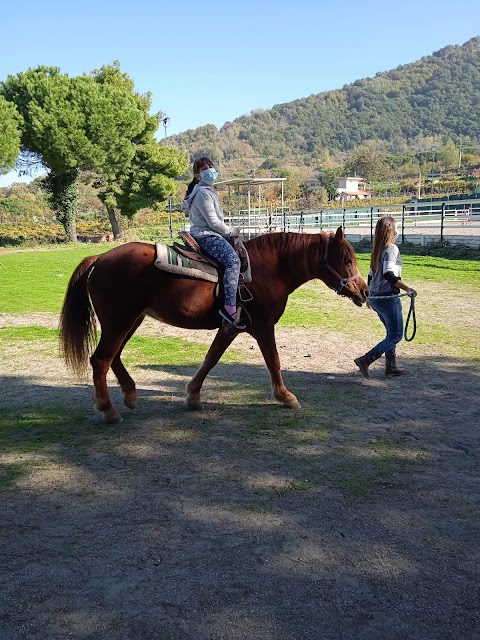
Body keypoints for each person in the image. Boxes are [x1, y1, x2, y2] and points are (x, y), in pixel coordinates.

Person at [182, 157, 246, 330]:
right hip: (207, 236)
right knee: (233, 262)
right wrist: (231, 231)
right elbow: (213, 222)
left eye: (211, 166)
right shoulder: (203, 193)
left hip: (209, 233)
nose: (209, 170)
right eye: (204, 168)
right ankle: (229, 308)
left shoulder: (205, 191)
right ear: (197, 175)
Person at [354, 215, 417, 379]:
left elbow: (370, 276)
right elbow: (389, 275)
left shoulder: (378, 249)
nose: (397, 229)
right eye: (395, 226)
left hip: (376, 298)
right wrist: (407, 289)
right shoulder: (391, 249)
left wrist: (368, 297)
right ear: (391, 229)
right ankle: (366, 360)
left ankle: (391, 366)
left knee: (390, 332)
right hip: (387, 297)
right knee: (396, 335)